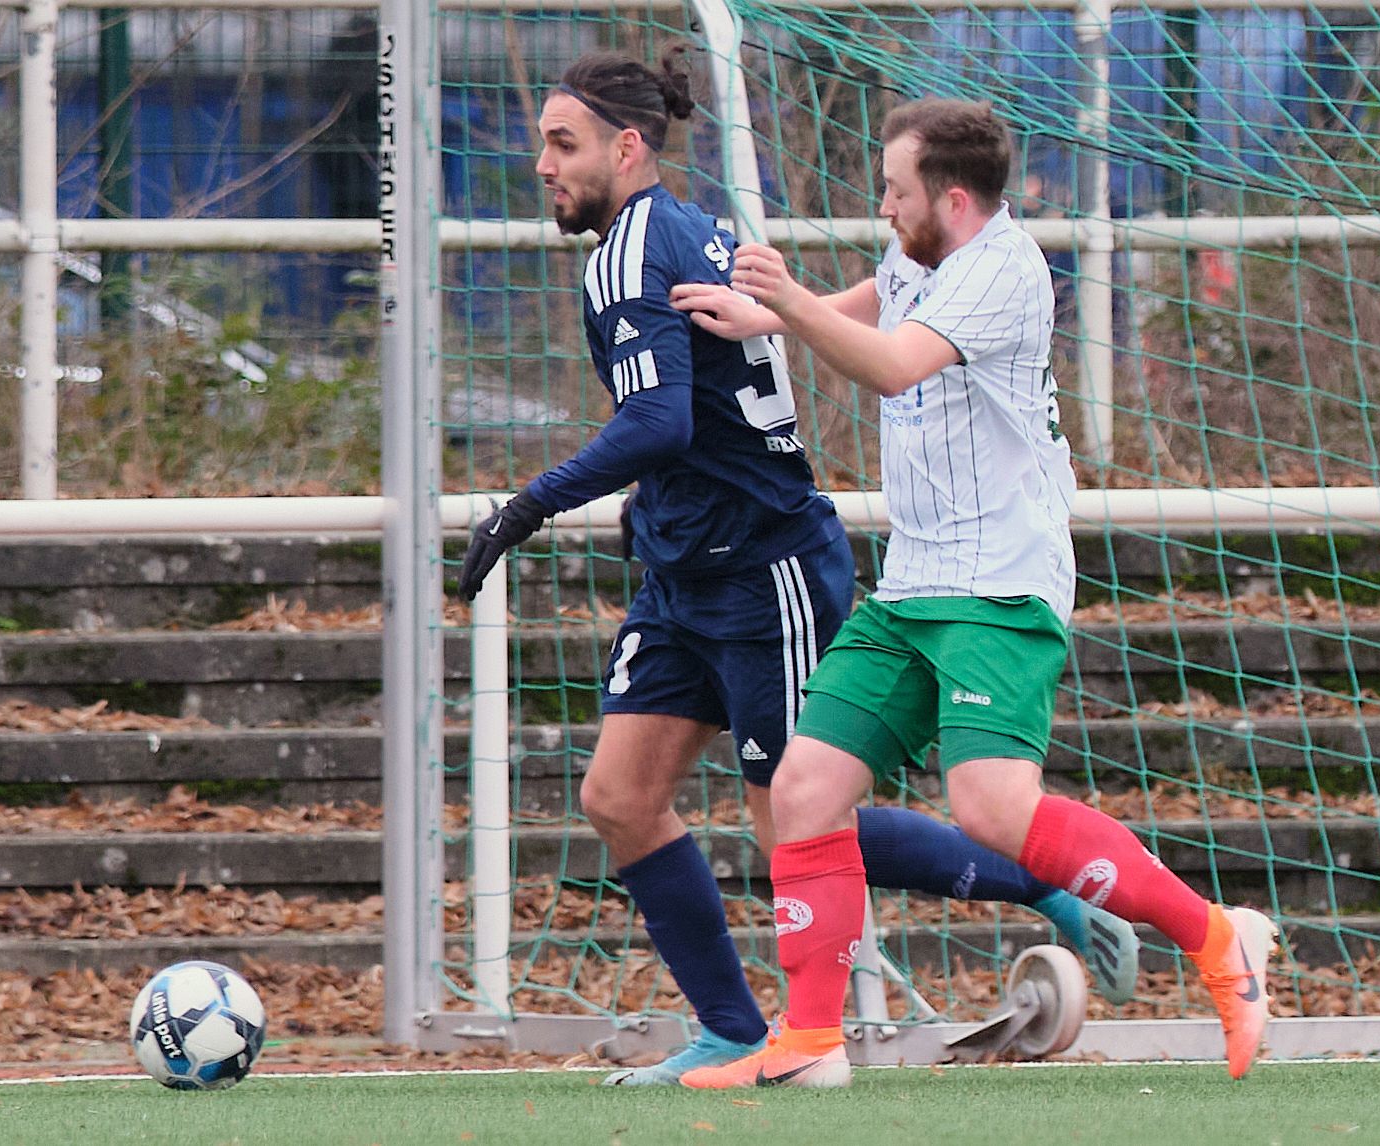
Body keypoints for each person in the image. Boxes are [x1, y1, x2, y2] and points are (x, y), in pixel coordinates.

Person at [455, 55, 1140, 1087]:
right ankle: (731, 1028)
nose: (542, 164)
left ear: (626, 148)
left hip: (761, 565)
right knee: (619, 797)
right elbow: (704, 404)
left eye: (563, 143)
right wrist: (658, 503)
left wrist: (526, 505)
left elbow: (661, 418)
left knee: (801, 821)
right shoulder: (687, 229)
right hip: (687, 564)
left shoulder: (636, 249)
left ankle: (1036, 885)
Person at [670, 98, 1277, 1089]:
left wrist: (786, 299)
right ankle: (811, 1043)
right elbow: (882, 295)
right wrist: (767, 314)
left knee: (992, 809)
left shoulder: (1004, 267)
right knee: (803, 790)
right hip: (915, 580)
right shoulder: (923, 250)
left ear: (952, 199)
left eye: (895, 190)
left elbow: (893, 367)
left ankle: (1216, 936)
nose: (883, 205)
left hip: (997, 584)